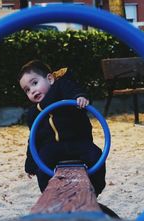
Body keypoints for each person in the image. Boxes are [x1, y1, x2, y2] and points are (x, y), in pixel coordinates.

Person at [18, 59, 106, 196]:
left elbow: (74, 90)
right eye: (27, 90)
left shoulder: (62, 88)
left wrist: (80, 97)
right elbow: (33, 139)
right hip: (52, 148)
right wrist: (30, 163)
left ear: (50, 79)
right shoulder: (34, 113)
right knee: (42, 164)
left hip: (78, 142)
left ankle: (96, 187)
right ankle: (49, 193)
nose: (32, 90)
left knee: (96, 155)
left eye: (35, 83)